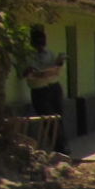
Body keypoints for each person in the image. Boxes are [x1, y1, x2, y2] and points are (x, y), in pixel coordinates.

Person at [23, 25, 70, 156]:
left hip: (54, 87)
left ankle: (62, 147)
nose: (40, 45)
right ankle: (57, 147)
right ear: (32, 42)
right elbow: (27, 72)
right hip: (39, 90)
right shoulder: (28, 55)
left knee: (58, 118)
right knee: (48, 119)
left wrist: (58, 64)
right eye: (38, 42)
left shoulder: (49, 53)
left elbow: (56, 70)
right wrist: (36, 72)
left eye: (42, 42)